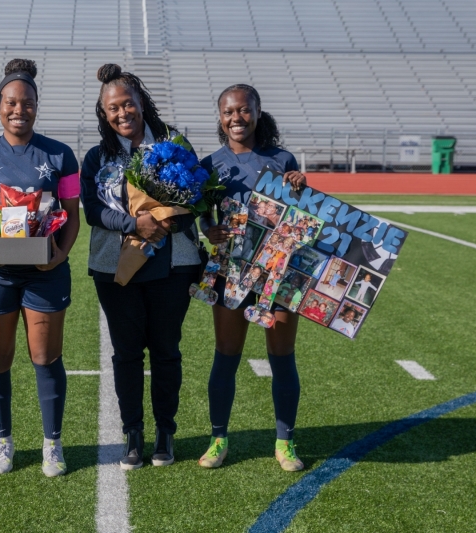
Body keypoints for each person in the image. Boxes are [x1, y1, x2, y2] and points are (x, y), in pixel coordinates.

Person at [0, 59, 81, 477]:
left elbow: (72, 215)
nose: (19, 110)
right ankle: (3, 441)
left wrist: (59, 256)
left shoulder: (61, 156)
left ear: (36, 106)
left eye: (26, 103)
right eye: (11, 103)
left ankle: (52, 443)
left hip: (44, 273)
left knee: (46, 357)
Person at [80, 64, 201, 470]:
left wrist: (168, 221)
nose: (121, 113)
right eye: (112, 108)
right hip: (116, 270)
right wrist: (135, 224)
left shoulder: (174, 143)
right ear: (104, 113)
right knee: (127, 353)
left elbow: (196, 196)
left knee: (166, 351)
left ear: (141, 103)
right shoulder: (97, 156)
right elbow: (93, 212)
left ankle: (165, 432)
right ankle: (133, 432)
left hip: (174, 265)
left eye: (127, 104)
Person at [198, 84, 307, 472]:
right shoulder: (211, 164)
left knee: (282, 357)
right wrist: (209, 230)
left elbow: (300, 218)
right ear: (220, 117)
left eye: (243, 111)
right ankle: (218, 439)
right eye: (228, 112)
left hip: (278, 273)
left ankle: (285, 441)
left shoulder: (283, 159)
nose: (235, 119)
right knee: (225, 356)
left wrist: (301, 188)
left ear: (258, 113)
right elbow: (205, 216)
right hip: (231, 271)